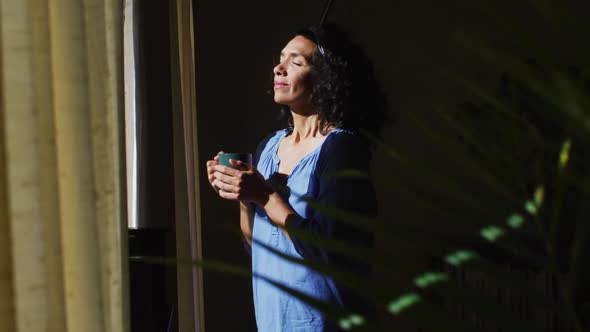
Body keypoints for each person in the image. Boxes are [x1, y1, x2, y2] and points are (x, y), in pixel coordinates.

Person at [206, 24, 387, 332]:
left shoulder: (341, 148)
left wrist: (265, 196)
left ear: (326, 80)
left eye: (296, 62)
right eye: (280, 59)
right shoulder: (268, 146)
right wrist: (242, 197)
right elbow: (258, 245)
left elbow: (328, 250)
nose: (279, 67)